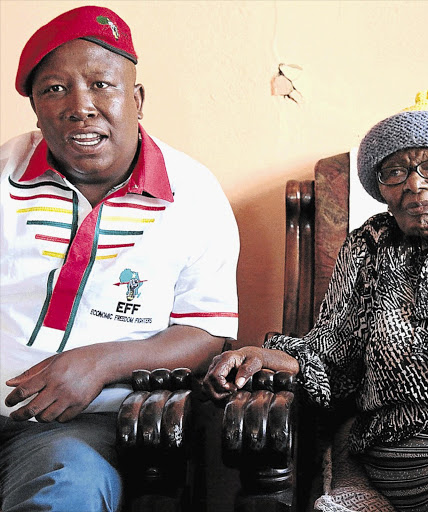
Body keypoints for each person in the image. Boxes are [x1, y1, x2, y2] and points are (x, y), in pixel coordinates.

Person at [204, 90, 428, 511]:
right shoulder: (369, 247)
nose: (415, 183)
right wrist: (263, 355)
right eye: (395, 172)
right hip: (409, 434)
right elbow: (333, 350)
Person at [0, 6, 239, 512]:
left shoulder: (193, 193)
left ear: (137, 98)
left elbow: (204, 332)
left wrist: (100, 362)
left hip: (80, 427)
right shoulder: (4, 173)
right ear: (37, 109)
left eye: (101, 85)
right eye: (54, 89)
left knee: (67, 491)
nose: (80, 107)